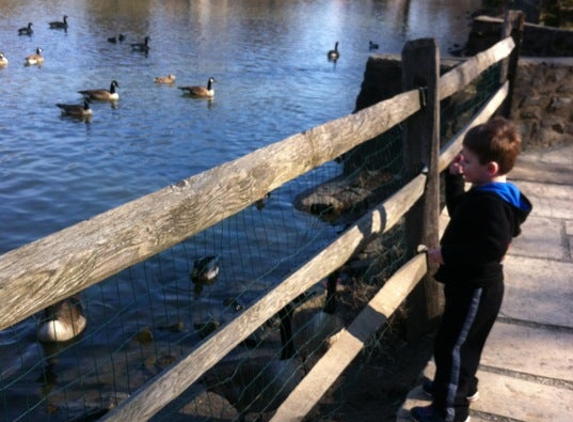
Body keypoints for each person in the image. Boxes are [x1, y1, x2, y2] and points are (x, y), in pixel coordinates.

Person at [410, 117, 532, 422]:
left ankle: (449, 411)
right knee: (465, 344)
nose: (460, 162)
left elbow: (493, 247)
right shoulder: (489, 194)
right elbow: (461, 212)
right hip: (473, 287)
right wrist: (455, 179)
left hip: (476, 288)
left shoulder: (490, 204)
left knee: (452, 346)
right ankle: (457, 387)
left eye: (466, 160)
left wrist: (446, 254)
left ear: (489, 169)